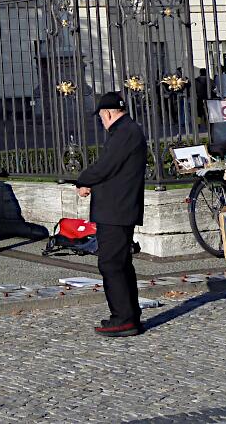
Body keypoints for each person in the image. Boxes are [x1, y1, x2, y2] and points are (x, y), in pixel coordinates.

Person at [72, 92, 147, 337]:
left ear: (108, 113)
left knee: (111, 264)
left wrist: (83, 180)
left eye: (101, 118)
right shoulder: (126, 131)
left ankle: (124, 318)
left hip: (117, 209)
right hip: (117, 207)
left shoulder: (125, 132)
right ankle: (128, 316)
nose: (102, 123)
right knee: (120, 263)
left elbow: (106, 165)